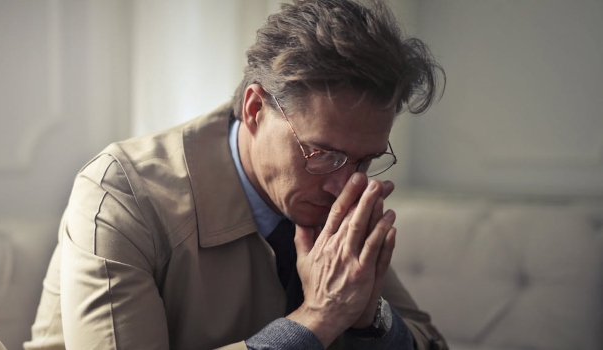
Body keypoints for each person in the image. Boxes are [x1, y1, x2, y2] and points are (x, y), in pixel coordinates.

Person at [25, 0, 447, 349]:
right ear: (254, 109)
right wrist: (319, 317)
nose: (345, 185)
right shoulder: (121, 194)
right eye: (323, 154)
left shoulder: (335, 196)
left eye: (365, 160)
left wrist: (369, 318)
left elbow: (431, 343)